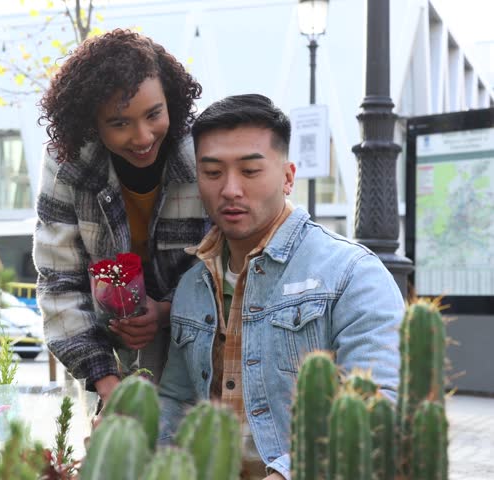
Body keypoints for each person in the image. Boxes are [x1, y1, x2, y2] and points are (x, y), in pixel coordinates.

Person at [157, 94, 403, 480]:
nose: (230, 189)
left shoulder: (352, 273)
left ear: (288, 176)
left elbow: (377, 405)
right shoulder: (192, 284)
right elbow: (175, 402)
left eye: (250, 171)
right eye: (213, 172)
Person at [33, 29, 209, 409]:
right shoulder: (69, 166)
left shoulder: (203, 156)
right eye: (119, 123)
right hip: (114, 359)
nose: (142, 136)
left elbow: (233, 265)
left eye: (153, 114)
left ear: (171, 102)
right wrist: (108, 384)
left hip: (203, 354)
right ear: (91, 122)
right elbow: (59, 281)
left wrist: (166, 312)